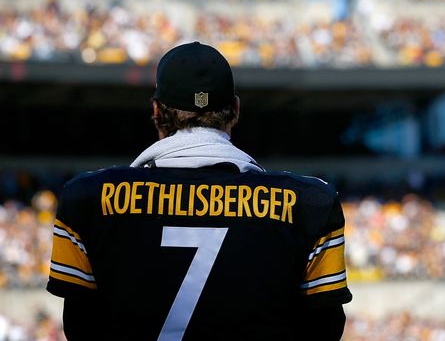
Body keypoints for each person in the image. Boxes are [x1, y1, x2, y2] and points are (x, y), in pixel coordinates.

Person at [47, 41, 352, 340]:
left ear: (156, 111)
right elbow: (323, 330)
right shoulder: (309, 204)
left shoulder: (88, 199)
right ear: (234, 109)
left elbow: (80, 327)